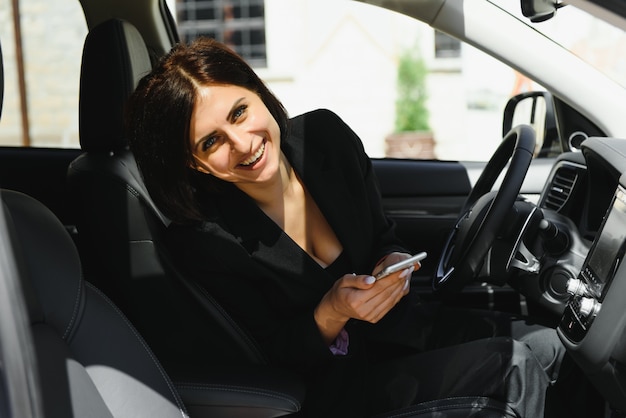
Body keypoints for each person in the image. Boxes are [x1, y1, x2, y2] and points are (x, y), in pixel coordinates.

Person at [125, 37, 568, 417]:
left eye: (239, 112)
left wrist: (393, 261)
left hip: (405, 331)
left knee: (555, 346)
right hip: (338, 390)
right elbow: (267, 358)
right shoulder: (206, 242)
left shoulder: (325, 138)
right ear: (194, 162)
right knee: (514, 365)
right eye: (211, 141)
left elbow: (382, 236)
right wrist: (331, 314)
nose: (242, 144)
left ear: (257, 93)